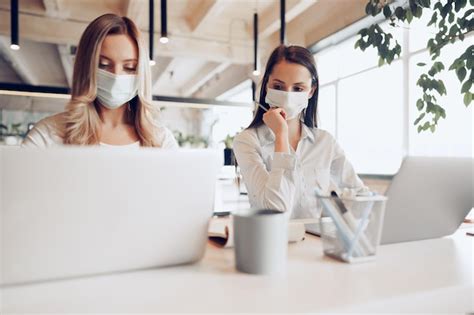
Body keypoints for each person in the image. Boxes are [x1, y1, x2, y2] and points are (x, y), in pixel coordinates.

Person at [233, 45, 369, 219]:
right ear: (267, 85)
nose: (288, 96)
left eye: (298, 89)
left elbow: (361, 195)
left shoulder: (325, 142)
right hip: (270, 241)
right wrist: (281, 136)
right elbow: (276, 209)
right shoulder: (248, 141)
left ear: (311, 91)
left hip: (316, 242)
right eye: (279, 86)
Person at [22, 14, 177, 149]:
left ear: (141, 73)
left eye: (130, 67)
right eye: (103, 65)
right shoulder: (47, 135)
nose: (116, 76)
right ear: (85, 67)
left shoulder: (160, 141)